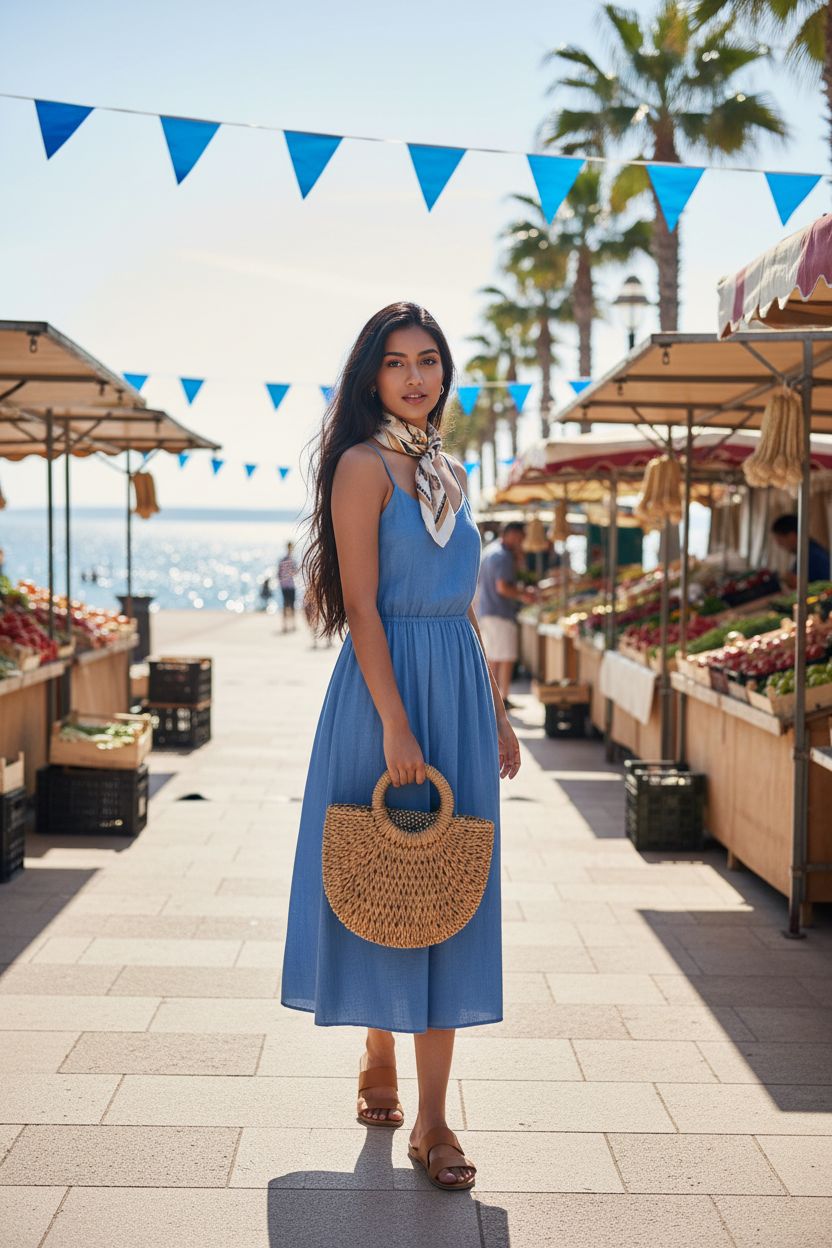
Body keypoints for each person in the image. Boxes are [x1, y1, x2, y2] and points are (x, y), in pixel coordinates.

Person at [281, 301, 520, 1192]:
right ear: (371, 376)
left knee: (448, 888)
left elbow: (461, 601)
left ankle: (431, 1120)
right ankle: (377, 1050)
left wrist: (494, 711)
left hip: (455, 688)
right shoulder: (361, 467)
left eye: (428, 361)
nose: (415, 377)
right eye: (396, 363)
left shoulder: (449, 471)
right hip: (385, 693)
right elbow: (364, 605)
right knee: (382, 876)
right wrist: (392, 720)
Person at [475, 522, 536, 710]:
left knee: (494, 657)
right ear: (512, 534)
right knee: (506, 657)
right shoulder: (503, 557)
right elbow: (502, 587)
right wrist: (522, 594)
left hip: (486, 611)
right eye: (520, 537)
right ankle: (502, 699)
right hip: (499, 612)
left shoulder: (490, 551)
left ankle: (493, 700)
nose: (521, 541)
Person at [771, 514, 830, 587]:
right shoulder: (805, 553)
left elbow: (828, 588)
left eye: (780, 540)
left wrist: (798, 584)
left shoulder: (814, 555)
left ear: (792, 536)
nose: (779, 545)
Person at [277, 542, 299, 633]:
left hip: (284, 585)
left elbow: (278, 574)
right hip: (289, 585)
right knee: (290, 605)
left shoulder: (282, 560)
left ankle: (287, 625)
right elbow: (295, 572)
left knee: (286, 605)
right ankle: (291, 625)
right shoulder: (292, 560)